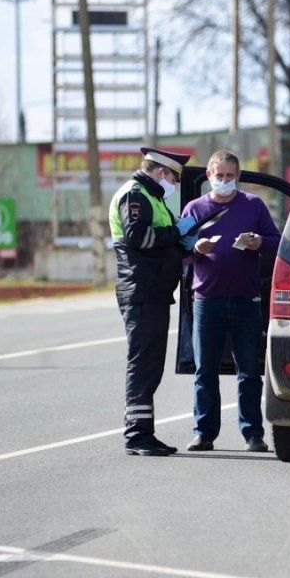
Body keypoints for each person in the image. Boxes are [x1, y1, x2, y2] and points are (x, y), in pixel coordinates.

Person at [181, 150, 280, 453]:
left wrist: (259, 242)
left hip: (245, 300)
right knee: (204, 371)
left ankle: (253, 434)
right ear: (208, 176)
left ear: (237, 176)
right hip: (206, 300)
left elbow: (277, 242)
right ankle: (204, 433)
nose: (224, 181)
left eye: (229, 176)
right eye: (219, 175)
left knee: (249, 371)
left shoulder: (253, 205)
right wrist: (196, 248)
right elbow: (179, 249)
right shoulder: (195, 208)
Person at [109, 147, 197, 456]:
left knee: (150, 365)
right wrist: (175, 232)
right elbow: (139, 237)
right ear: (161, 172)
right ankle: (137, 435)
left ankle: (143, 432)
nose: (175, 183)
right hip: (141, 291)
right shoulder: (135, 195)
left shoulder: (153, 198)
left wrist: (185, 244)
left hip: (153, 292)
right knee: (143, 363)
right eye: (174, 177)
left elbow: (161, 241)